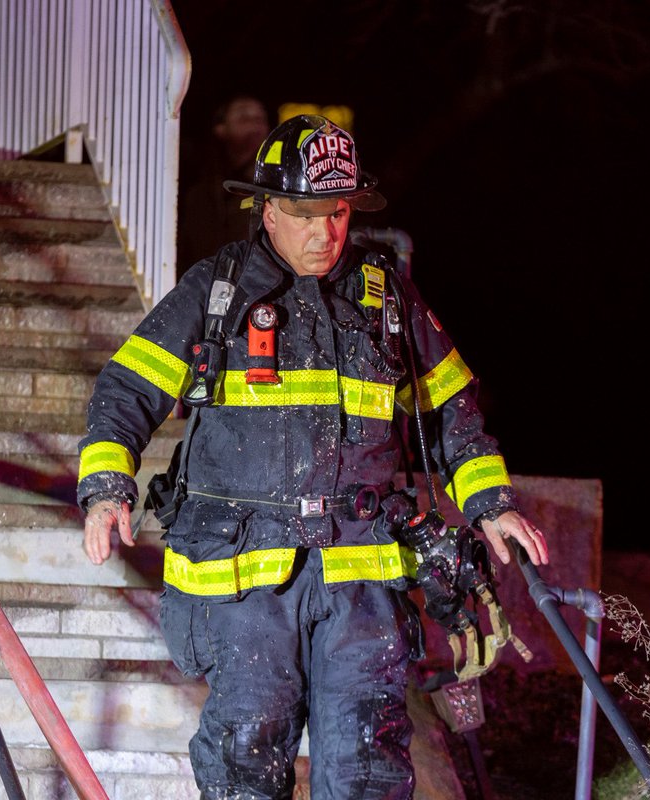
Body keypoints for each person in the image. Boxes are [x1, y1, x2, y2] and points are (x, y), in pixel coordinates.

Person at [78, 114, 549, 800]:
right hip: (245, 587)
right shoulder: (217, 293)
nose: (323, 232)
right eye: (303, 213)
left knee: (369, 765)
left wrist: (490, 503)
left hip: (361, 582)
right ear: (267, 210)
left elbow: (451, 407)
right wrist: (106, 485)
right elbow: (126, 389)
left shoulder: (384, 295)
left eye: (336, 212)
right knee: (248, 757)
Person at [176, 94, 271, 279]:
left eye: (260, 118)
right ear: (220, 129)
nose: (254, 125)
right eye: (244, 117)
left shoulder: (272, 185)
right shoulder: (199, 189)